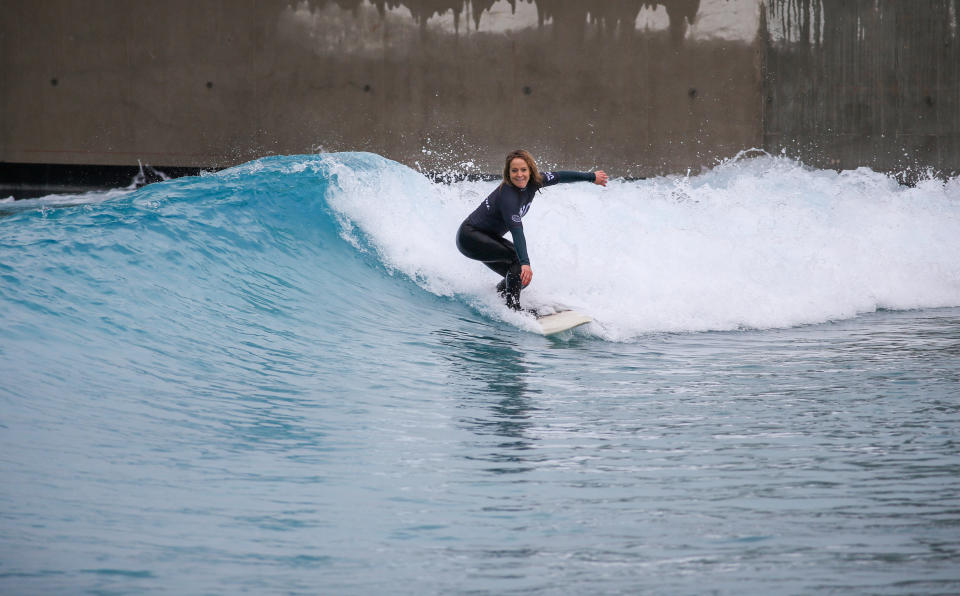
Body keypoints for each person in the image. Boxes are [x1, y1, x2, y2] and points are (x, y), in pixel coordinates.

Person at [456, 149, 608, 311]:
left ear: (530, 170)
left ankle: (498, 296)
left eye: (523, 170)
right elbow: (517, 232)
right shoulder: (508, 197)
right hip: (470, 238)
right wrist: (525, 263)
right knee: (519, 264)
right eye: (514, 171)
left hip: (488, 238)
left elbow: (561, 176)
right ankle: (514, 309)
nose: (519, 175)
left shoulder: (535, 181)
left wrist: (591, 177)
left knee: (519, 278)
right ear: (508, 173)